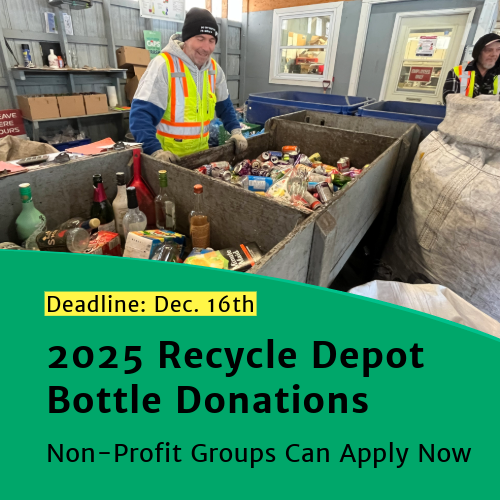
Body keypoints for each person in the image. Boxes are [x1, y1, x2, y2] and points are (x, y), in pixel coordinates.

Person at [129, 8, 247, 163]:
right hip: (169, 159)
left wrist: (236, 131)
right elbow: (140, 116)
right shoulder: (164, 65)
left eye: (212, 41)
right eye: (200, 38)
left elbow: (224, 106)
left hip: (202, 157)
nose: (206, 47)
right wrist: (155, 151)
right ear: (187, 38)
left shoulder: (214, 69)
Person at [443, 33, 500, 102]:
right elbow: (449, 101)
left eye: (498, 50)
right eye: (488, 50)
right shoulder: (458, 71)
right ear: (478, 52)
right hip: (461, 113)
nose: (494, 54)